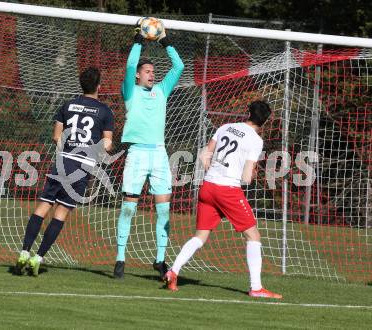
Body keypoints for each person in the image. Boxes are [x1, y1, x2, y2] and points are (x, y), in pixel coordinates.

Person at [165, 100, 282, 299]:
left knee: (200, 237)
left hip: (208, 186)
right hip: (227, 190)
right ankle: (256, 288)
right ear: (266, 120)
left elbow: (204, 155)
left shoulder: (226, 126)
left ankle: (173, 271)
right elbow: (246, 177)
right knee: (253, 236)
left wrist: (213, 172)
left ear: (248, 112)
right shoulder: (255, 140)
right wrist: (252, 174)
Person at [15, 67, 114, 276]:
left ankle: (24, 251)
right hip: (81, 166)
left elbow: (56, 137)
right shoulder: (104, 111)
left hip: (63, 161)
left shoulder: (68, 105)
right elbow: (107, 144)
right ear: (99, 86)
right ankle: (38, 257)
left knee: (43, 206)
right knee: (61, 213)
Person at [113, 20, 184, 279]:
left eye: (153, 71)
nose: (152, 74)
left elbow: (179, 67)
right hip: (137, 153)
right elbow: (130, 64)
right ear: (138, 76)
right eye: (147, 71)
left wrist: (165, 40)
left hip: (159, 153)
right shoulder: (130, 90)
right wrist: (139, 40)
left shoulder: (162, 91)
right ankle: (120, 258)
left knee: (163, 208)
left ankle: (160, 259)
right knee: (129, 207)